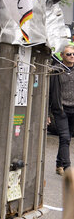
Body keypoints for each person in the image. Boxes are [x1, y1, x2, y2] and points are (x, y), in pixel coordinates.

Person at [49, 43, 74, 175]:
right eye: (69, 54)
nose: (71, 56)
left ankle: (59, 164)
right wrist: (47, 113)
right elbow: (49, 92)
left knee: (67, 138)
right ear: (62, 56)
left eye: (73, 54)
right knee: (65, 137)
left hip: (73, 110)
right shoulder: (56, 70)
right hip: (61, 109)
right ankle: (67, 168)